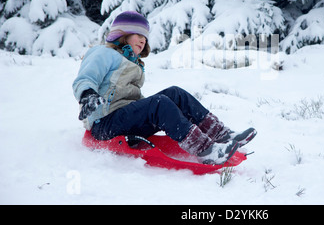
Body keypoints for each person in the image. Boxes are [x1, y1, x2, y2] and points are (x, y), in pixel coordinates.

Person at [72, 11, 256, 165]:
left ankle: (222, 135)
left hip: (124, 121)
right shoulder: (104, 53)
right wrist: (87, 95)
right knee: (158, 103)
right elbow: (84, 78)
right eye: (138, 34)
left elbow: (131, 101)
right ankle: (205, 150)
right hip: (104, 124)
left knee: (175, 93)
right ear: (123, 34)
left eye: (145, 36)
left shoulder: (133, 63)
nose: (143, 40)